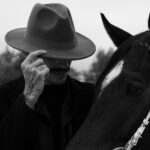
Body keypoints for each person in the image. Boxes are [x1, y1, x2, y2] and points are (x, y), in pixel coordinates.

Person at [0, 3, 96, 150]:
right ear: (29, 55)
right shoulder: (5, 97)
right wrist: (26, 102)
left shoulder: (91, 97)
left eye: (68, 55)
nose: (63, 63)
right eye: (53, 55)